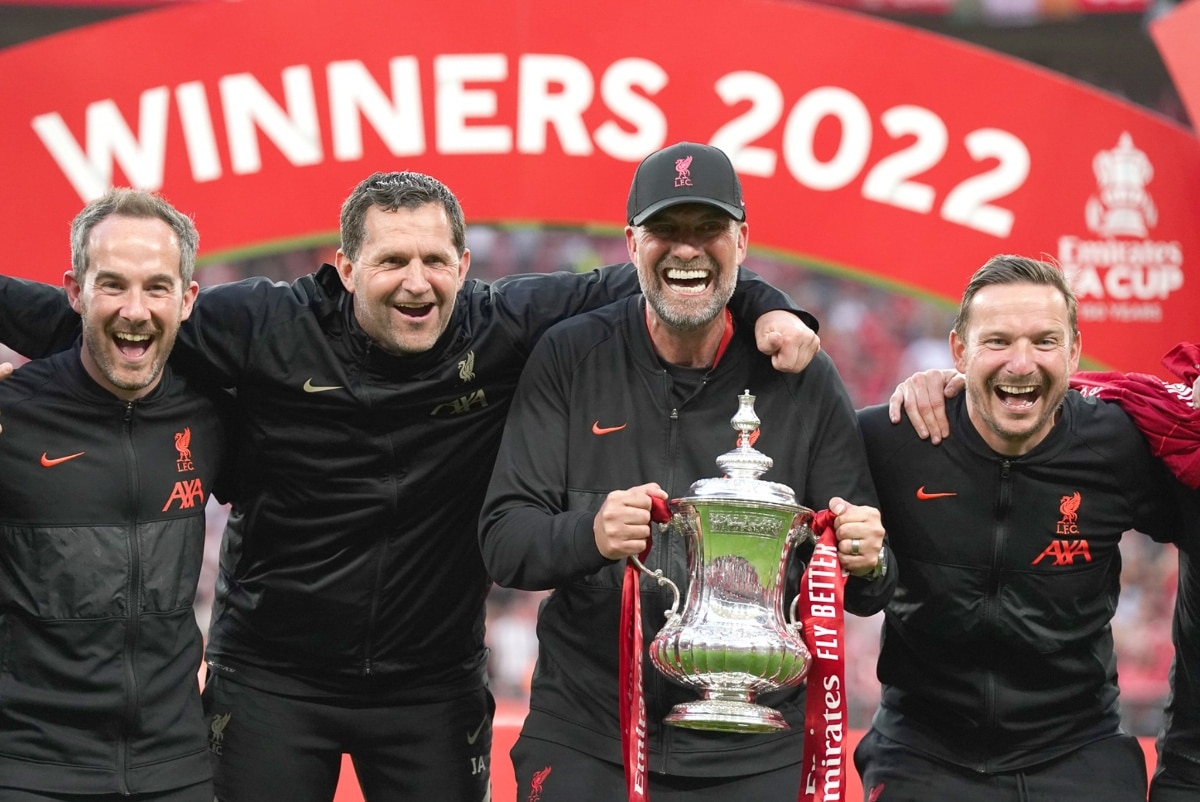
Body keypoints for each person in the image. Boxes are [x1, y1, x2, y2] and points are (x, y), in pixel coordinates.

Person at [0, 170, 819, 802]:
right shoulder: (264, 325)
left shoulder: (504, 325)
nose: (416, 281)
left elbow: (667, 273)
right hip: (272, 678)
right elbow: (98, 319)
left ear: (464, 266)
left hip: (429, 685)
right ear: (346, 267)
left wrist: (771, 306)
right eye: (392, 261)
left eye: (434, 260)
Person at [477, 142, 894, 801]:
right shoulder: (571, 356)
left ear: (743, 240)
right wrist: (592, 533)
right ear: (631, 242)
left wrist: (870, 558)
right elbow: (503, 541)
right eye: (667, 229)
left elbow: (870, 582)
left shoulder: (798, 376)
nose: (688, 249)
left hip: (756, 748)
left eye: (709, 229)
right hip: (589, 735)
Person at [855, 254, 1194, 801]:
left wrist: (1189, 763)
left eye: (1043, 340)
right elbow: (835, 574)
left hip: (1079, 750)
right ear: (959, 351)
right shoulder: (891, 438)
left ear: (1074, 352)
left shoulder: (1119, 446)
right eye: (997, 341)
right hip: (923, 750)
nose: (1021, 363)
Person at [0, 189, 227, 800]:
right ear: (74, 292)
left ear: (187, 300)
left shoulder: (211, 414)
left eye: (156, 287)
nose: (135, 310)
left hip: (175, 765)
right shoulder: (12, 415)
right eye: (112, 285)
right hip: (27, 766)